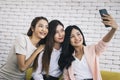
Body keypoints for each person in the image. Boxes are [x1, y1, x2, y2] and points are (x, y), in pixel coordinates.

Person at [58, 14, 119, 80]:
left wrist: (113, 29)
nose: (77, 38)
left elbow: (103, 43)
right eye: (72, 36)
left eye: (78, 34)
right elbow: (66, 77)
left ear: (82, 35)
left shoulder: (93, 50)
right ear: (68, 40)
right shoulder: (68, 57)